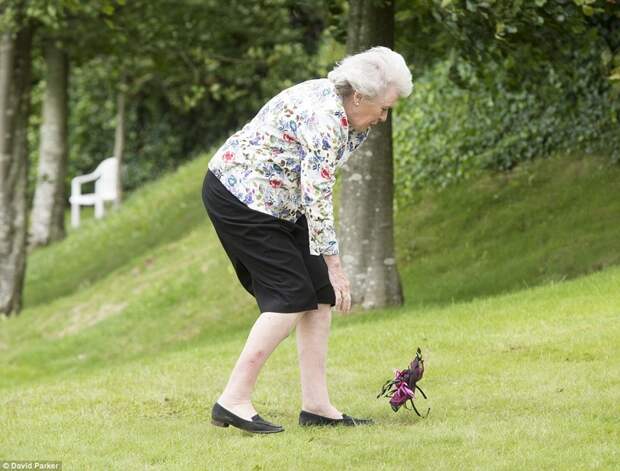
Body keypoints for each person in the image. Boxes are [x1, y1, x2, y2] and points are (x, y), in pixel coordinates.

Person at [201, 46, 413, 434]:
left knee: (319, 295)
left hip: (283, 200)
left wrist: (329, 272)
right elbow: (318, 193)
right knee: (290, 296)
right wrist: (336, 265)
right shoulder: (326, 119)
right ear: (360, 96)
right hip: (241, 197)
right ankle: (232, 400)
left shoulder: (354, 118)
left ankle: (316, 407)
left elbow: (311, 185)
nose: (384, 117)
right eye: (383, 108)